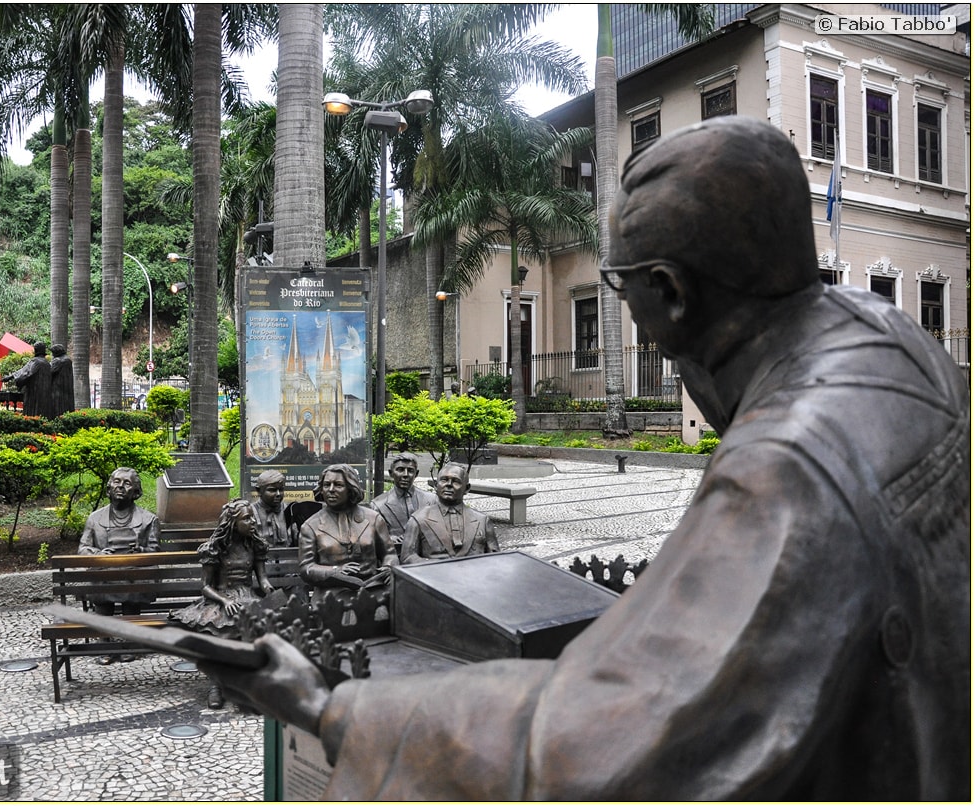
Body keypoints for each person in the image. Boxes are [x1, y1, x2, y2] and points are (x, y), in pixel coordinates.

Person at [200, 117, 970, 800]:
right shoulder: (888, 333)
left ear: (668, 292)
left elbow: (610, 740)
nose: (623, 304)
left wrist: (334, 708)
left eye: (621, 287)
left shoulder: (786, 469)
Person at [174, 498, 274, 707]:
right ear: (232, 522)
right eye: (247, 519)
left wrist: (267, 588)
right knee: (222, 632)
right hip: (219, 598)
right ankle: (217, 686)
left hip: (247, 595)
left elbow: (262, 578)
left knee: (254, 629)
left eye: (252, 518)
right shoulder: (214, 547)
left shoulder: (254, 545)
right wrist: (224, 600)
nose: (253, 523)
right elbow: (205, 587)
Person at [79, 467, 161, 663]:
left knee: (132, 587)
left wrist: (141, 552)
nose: (121, 487)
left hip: (134, 575)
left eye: (127, 483)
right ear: (109, 487)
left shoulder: (149, 519)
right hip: (104, 574)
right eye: (117, 482)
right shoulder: (95, 518)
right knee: (100, 584)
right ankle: (104, 643)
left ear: (136, 491)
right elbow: (83, 548)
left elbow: (155, 552)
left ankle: (129, 642)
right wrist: (99, 554)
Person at [297, 464, 396, 590]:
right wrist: (335, 571)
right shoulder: (311, 526)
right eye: (327, 485)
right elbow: (306, 568)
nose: (331, 490)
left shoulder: (374, 519)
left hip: (372, 589)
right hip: (331, 594)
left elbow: (390, 554)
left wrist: (389, 566)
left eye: (338, 485)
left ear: (350, 488)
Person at [400, 463, 497, 564]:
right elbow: (407, 557)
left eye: (456, 481)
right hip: (434, 577)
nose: (449, 484)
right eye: (444, 480)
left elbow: (496, 559)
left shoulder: (482, 520)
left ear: (467, 488)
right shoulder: (419, 519)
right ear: (435, 485)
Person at [369, 452, 438, 545]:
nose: (405, 475)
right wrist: (388, 539)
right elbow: (374, 537)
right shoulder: (378, 505)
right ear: (391, 473)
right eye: (400, 470)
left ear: (416, 474)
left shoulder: (431, 500)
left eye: (410, 470)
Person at [2, 342, 54, 419]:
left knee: (32, 414)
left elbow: (26, 373)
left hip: (34, 393)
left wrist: (13, 379)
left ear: (35, 350)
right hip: (45, 393)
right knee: (43, 413)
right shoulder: (47, 364)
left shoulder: (35, 361)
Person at [250, 469, 291, 547]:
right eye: (272, 490)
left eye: (281, 489)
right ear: (259, 491)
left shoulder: (290, 511)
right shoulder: (250, 513)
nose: (278, 494)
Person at [48, 343, 74, 419]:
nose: (52, 355)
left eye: (53, 353)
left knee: (57, 406)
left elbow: (49, 371)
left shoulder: (58, 361)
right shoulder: (68, 360)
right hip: (67, 387)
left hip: (57, 387)